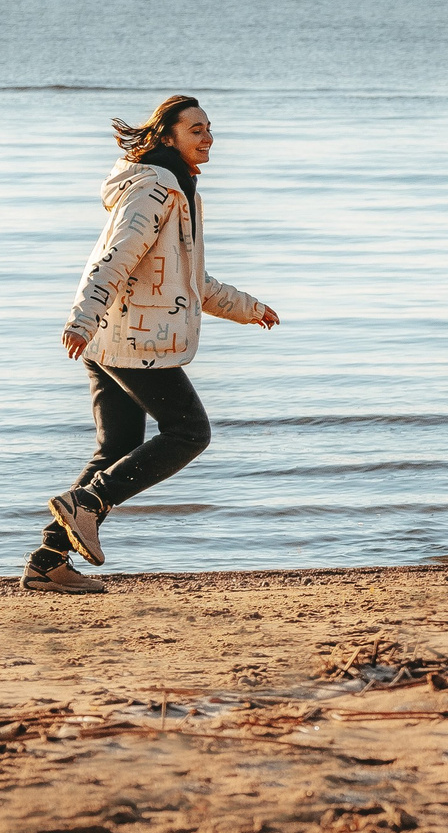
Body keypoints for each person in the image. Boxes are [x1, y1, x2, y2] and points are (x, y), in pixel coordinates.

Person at [24, 95, 280, 594]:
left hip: (112, 338)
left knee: (118, 447)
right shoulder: (156, 189)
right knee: (189, 432)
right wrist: (82, 317)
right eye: (197, 129)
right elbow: (114, 258)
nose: (208, 137)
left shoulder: (176, 190)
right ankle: (88, 506)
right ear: (167, 138)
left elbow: (189, 280)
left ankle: (47, 563)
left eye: (210, 128)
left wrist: (248, 308)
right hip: (136, 339)